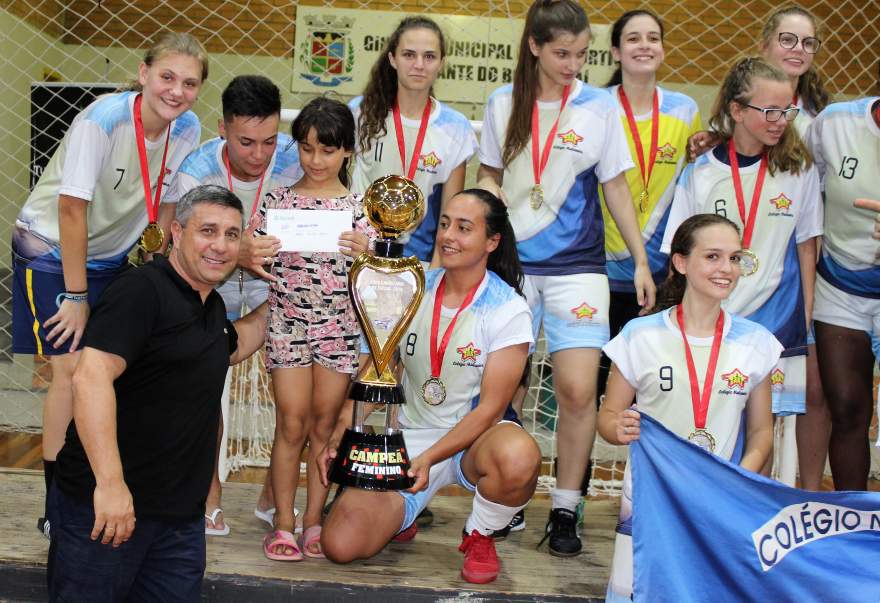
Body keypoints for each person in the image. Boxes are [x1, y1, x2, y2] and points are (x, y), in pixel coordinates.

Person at [11, 31, 207, 538]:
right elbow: (71, 208)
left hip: (113, 256)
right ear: (144, 74)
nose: (176, 91)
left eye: (189, 83)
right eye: (167, 77)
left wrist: (159, 266)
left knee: (114, 370)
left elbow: (165, 204)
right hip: (53, 249)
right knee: (71, 369)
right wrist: (76, 297)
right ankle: (56, 505)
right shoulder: (102, 120)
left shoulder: (187, 127)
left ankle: (105, 479)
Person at [477, 0, 655, 556]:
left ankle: (565, 506)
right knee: (502, 387)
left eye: (581, 54)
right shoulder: (502, 102)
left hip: (578, 266)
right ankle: (503, 503)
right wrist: (490, 198)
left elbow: (617, 186)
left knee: (579, 389)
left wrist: (643, 260)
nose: (573, 64)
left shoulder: (599, 106)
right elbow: (487, 173)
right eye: (561, 53)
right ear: (533, 46)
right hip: (511, 266)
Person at [47, 185, 270, 601]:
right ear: (177, 232)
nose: (220, 246)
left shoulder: (210, 305)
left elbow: (232, 345)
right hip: (109, 513)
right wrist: (111, 486)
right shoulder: (142, 291)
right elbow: (90, 378)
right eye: (208, 231)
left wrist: (289, 297)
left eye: (232, 234)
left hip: (179, 522)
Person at [318, 189, 541, 585]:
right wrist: (342, 431)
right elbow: (383, 364)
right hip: (408, 440)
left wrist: (431, 458)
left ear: (492, 241)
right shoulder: (412, 285)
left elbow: (490, 409)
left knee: (519, 455)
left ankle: (481, 534)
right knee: (340, 546)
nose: (448, 236)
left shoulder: (508, 308)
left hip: (476, 440)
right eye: (444, 224)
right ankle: (402, 515)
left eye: (464, 227)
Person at [598, 213, 778, 603]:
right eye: (713, 256)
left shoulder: (757, 343)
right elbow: (608, 417)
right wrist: (619, 428)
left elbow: (763, 433)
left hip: (721, 502)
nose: (726, 269)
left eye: (735, 258)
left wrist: (736, 484)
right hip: (649, 499)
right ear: (681, 262)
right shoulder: (639, 335)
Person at [662, 57, 822, 484]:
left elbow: (807, 246)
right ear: (736, 111)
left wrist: (804, 318)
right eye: (769, 111)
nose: (780, 120)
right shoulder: (701, 172)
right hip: (712, 321)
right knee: (707, 418)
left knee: (763, 431)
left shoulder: (799, 170)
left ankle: (749, 523)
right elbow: (678, 253)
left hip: (777, 322)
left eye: (787, 110)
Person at [165, 74, 303, 536]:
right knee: (203, 389)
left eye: (268, 141)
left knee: (299, 395)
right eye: (246, 141)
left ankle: (273, 496)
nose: (259, 154)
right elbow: (181, 247)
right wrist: (237, 250)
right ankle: (209, 498)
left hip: (276, 283)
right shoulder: (196, 168)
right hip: (211, 282)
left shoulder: (296, 157)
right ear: (222, 128)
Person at [251, 97, 374, 561]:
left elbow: (379, 281)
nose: (316, 161)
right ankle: (283, 523)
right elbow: (251, 253)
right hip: (287, 324)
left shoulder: (360, 211)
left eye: (327, 151)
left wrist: (368, 254)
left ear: (347, 151)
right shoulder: (277, 201)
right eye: (306, 149)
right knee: (291, 424)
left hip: (339, 329)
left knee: (324, 426)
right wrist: (255, 251)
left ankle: (314, 521)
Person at [597, 9, 701, 401]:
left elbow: (693, 181)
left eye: (653, 38)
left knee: (655, 386)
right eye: (634, 38)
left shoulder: (685, 109)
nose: (645, 45)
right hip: (599, 267)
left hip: (660, 272)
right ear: (615, 51)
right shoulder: (596, 106)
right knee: (597, 387)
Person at [350, 16, 478, 267]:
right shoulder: (359, 113)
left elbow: (449, 215)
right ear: (392, 59)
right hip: (357, 253)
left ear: (442, 62)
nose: (419, 65)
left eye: (429, 56)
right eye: (409, 55)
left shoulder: (455, 128)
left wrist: (434, 277)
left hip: (419, 261)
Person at [804, 94, 880, 490]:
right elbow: (791, 172)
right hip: (841, 286)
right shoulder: (835, 123)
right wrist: (715, 141)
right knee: (848, 409)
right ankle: (855, 524)